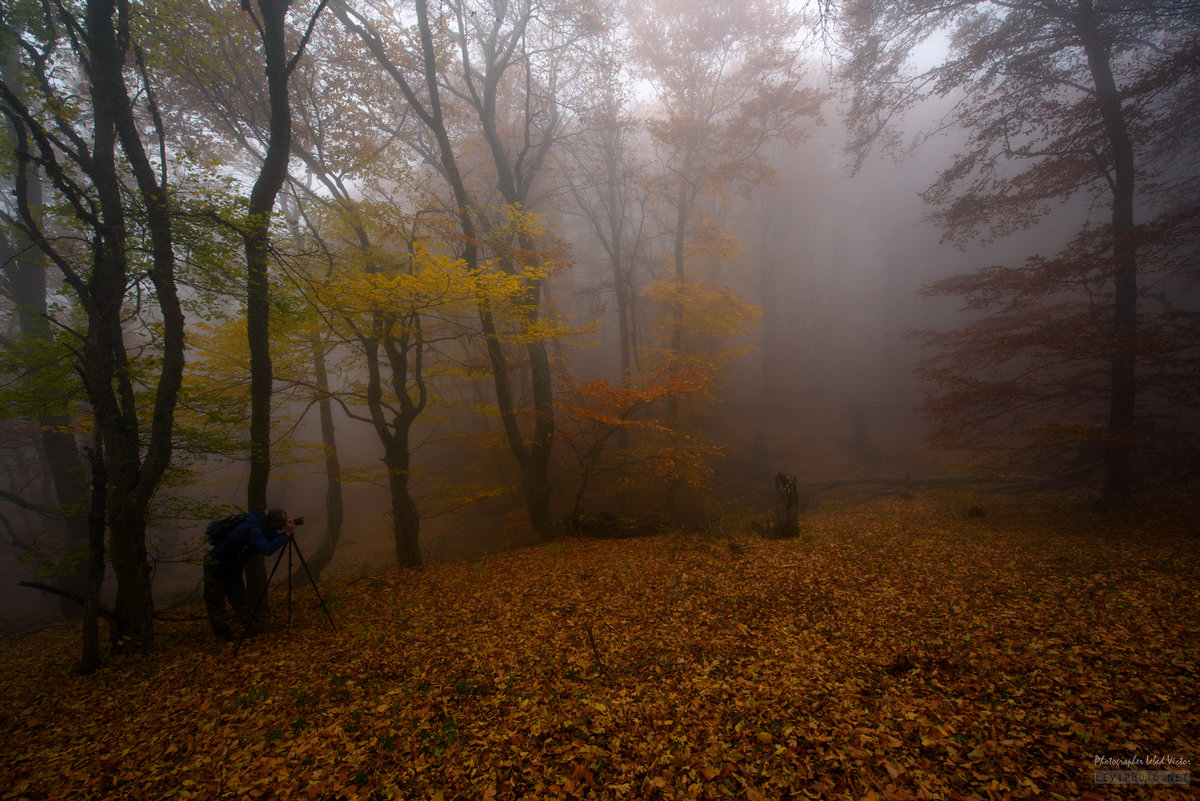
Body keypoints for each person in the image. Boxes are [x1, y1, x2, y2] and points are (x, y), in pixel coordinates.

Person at [203, 509, 294, 640]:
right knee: (216, 603)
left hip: (233, 564)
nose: (285, 524)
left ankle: (255, 630)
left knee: (240, 599)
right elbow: (267, 549)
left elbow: (270, 537)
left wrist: (285, 535)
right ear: (274, 522)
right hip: (216, 564)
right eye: (283, 522)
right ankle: (224, 637)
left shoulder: (262, 526)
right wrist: (286, 534)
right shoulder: (252, 528)